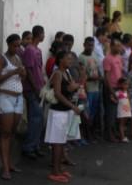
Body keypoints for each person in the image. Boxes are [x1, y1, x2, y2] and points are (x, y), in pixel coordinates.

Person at [45, 51, 81, 183]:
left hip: (64, 112)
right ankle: (54, 171)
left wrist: (75, 87)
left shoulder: (67, 73)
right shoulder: (58, 74)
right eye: (68, 58)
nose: (70, 61)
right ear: (60, 60)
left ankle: (59, 168)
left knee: (61, 142)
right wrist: (72, 106)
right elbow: (58, 94)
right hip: (58, 112)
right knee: (57, 143)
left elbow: (70, 89)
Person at [0, 34, 26, 180]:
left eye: (19, 45)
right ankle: (5, 167)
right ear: (8, 44)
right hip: (5, 97)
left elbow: (21, 78)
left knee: (12, 132)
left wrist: (22, 73)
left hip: (18, 98)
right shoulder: (2, 58)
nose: (17, 48)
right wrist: (13, 71)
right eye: (15, 45)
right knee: (5, 133)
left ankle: (9, 163)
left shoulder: (18, 58)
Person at [21, 25, 45, 159]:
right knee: (35, 118)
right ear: (39, 34)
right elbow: (29, 70)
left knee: (39, 119)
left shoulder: (38, 50)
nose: (44, 36)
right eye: (43, 34)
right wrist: (35, 87)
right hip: (32, 89)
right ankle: (29, 147)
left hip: (39, 87)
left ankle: (35, 145)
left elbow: (38, 69)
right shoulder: (30, 50)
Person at [79, 37, 101, 140]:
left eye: (92, 45)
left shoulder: (95, 56)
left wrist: (99, 77)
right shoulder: (81, 58)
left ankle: (91, 133)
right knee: (86, 114)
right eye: (88, 45)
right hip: (88, 89)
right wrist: (92, 78)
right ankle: (86, 134)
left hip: (96, 89)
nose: (90, 47)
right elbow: (82, 75)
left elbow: (98, 70)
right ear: (84, 45)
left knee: (94, 113)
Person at [103, 38, 124, 142]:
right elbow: (106, 77)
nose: (119, 47)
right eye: (117, 45)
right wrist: (111, 91)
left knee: (117, 112)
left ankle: (115, 132)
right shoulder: (107, 59)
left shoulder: (119, 57)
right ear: (111, 47)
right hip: (111, 88)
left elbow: (120, 72)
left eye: (120, 45)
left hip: (119, 87)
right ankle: (109, 135)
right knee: (110, 113)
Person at [116, 77, 132, 142]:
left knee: (124, 123)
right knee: (121, 123)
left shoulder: (127, 92)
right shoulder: (118, 92)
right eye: (125, 84)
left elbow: (129, 100)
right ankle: (122, 137)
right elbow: (114, 99)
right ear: (120, 85)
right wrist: (115, 101)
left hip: (126, 110)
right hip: (121, 110)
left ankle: (122, 135)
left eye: (127, 84)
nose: (126, 86)